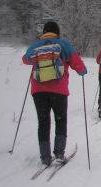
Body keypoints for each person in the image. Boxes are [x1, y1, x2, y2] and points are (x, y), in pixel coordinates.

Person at [22, 21, 87, 166]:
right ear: (57, 32)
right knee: (60, 120)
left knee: (43, 122)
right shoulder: (64, 45)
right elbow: (77, 63)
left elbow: (25, 59)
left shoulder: (36, 46)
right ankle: (59, 153)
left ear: (44, 32)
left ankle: (45, 155)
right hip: (59, 91)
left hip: (38, 91)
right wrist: (82, 71)